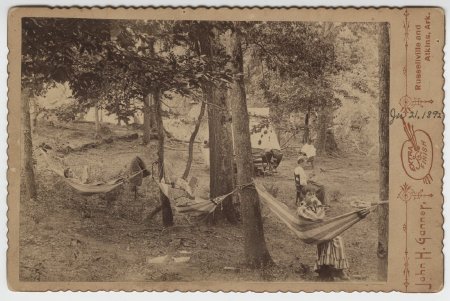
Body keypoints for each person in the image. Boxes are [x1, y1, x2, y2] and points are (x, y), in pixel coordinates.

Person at [296, 192, 350, 281]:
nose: (312, 197)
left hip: (318, 231)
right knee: (333, 239)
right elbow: (318, 217)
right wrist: (319, 204)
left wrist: (318, 206)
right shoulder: (302, 209)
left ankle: (331, 269)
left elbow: (320, 216)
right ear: (303, 197)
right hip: (310, 234)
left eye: (313, 195)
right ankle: (338, 270)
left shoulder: (313, 207)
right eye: (309, 195)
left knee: (336, 240)